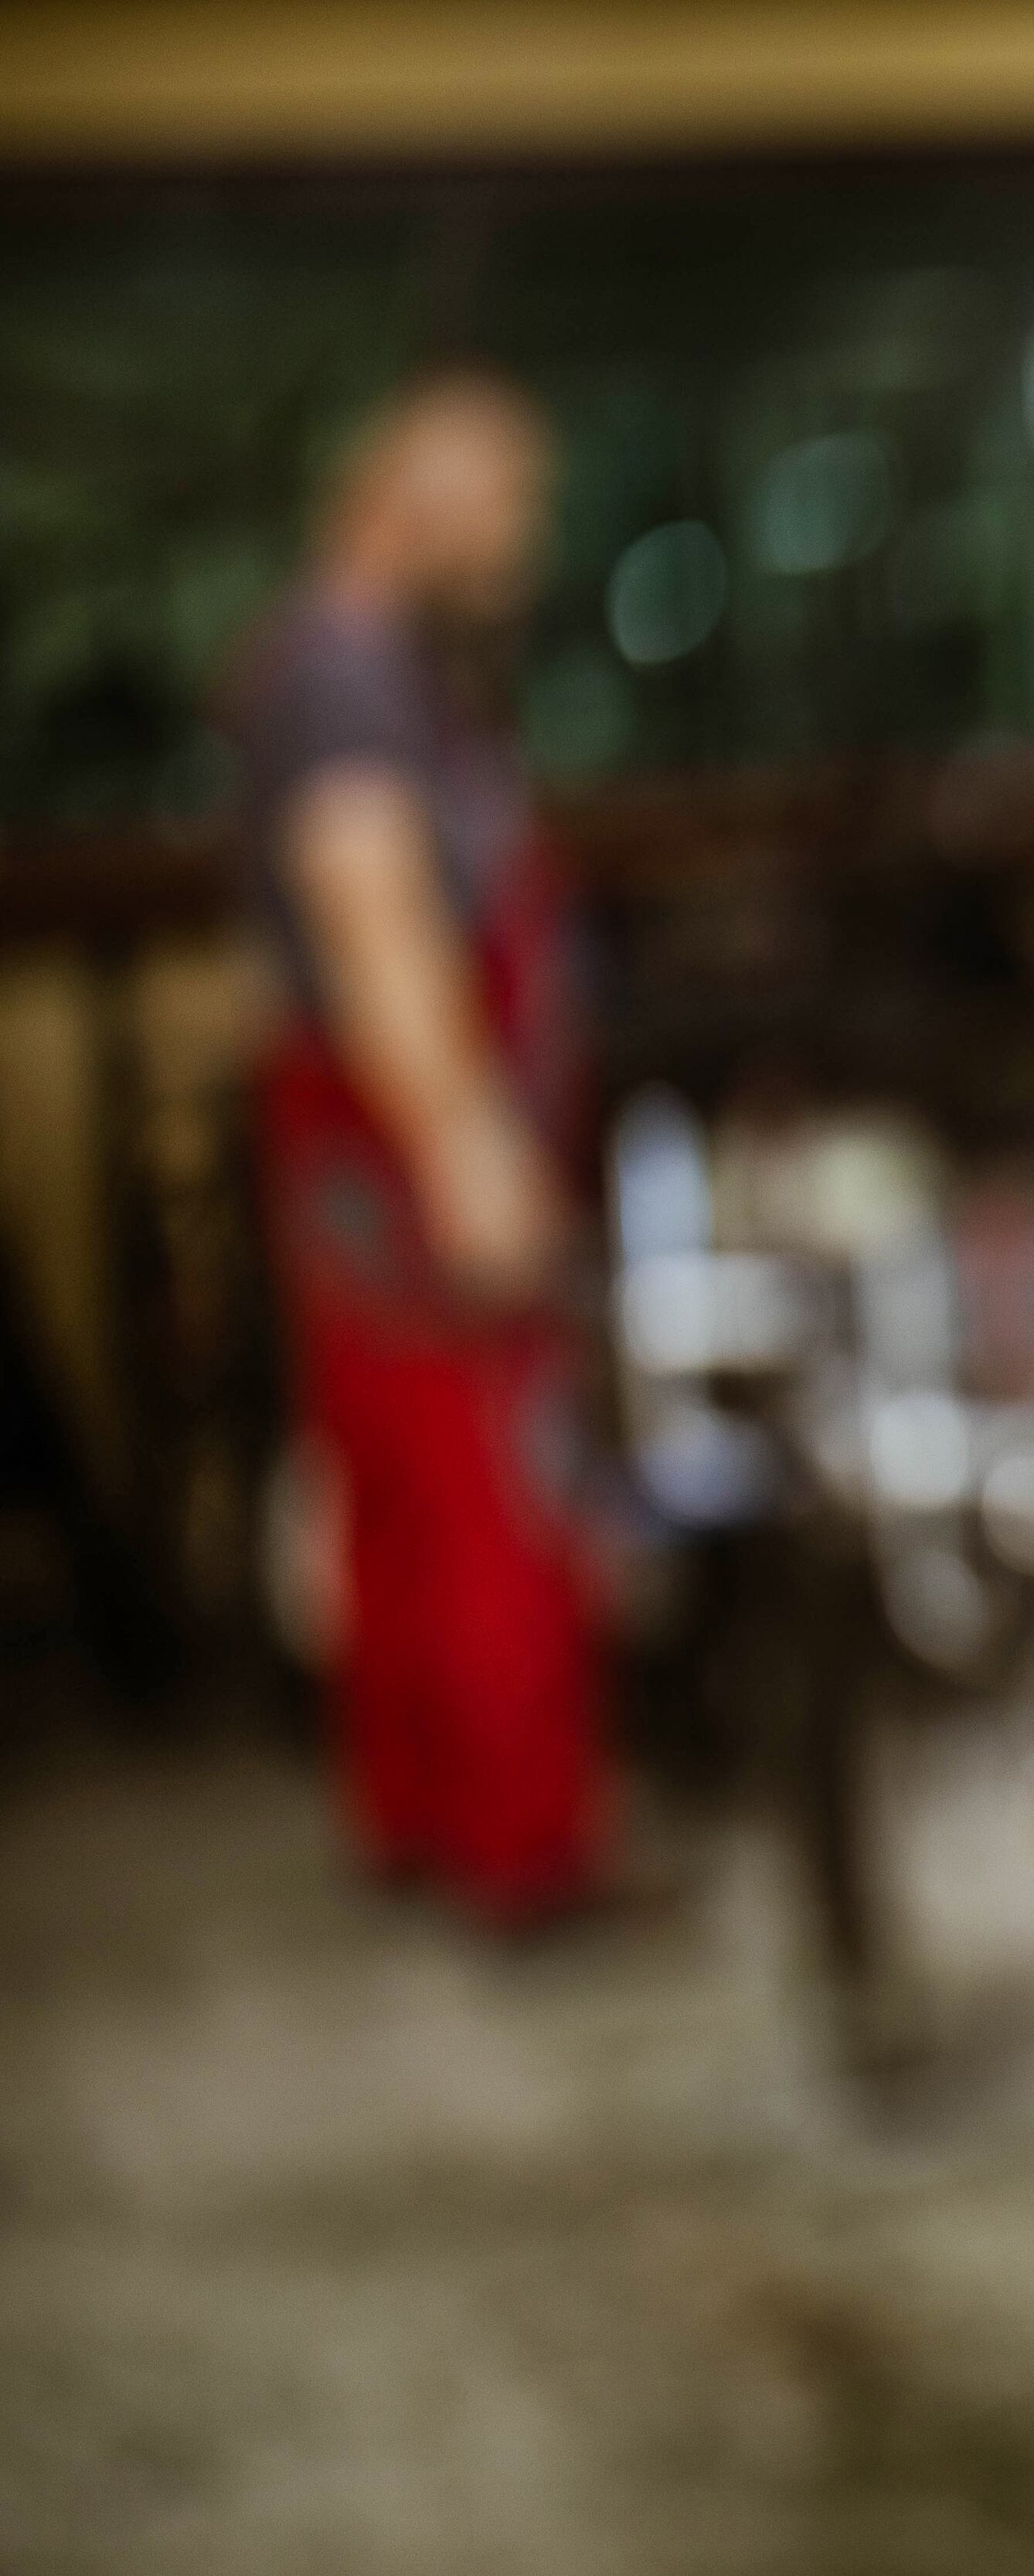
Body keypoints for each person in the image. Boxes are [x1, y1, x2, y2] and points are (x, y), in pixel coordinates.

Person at [233, 366, 607, 1929]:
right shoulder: (346, 674)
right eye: (507, 514)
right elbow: (372, 911)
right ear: (422, 500)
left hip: (373, 1124)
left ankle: (417, 1816)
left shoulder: (373, 670)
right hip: (397, 1135)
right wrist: (468, 1149)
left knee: (397, 1480)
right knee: (481, 1482)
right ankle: (517, 1847)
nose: (520, 555)